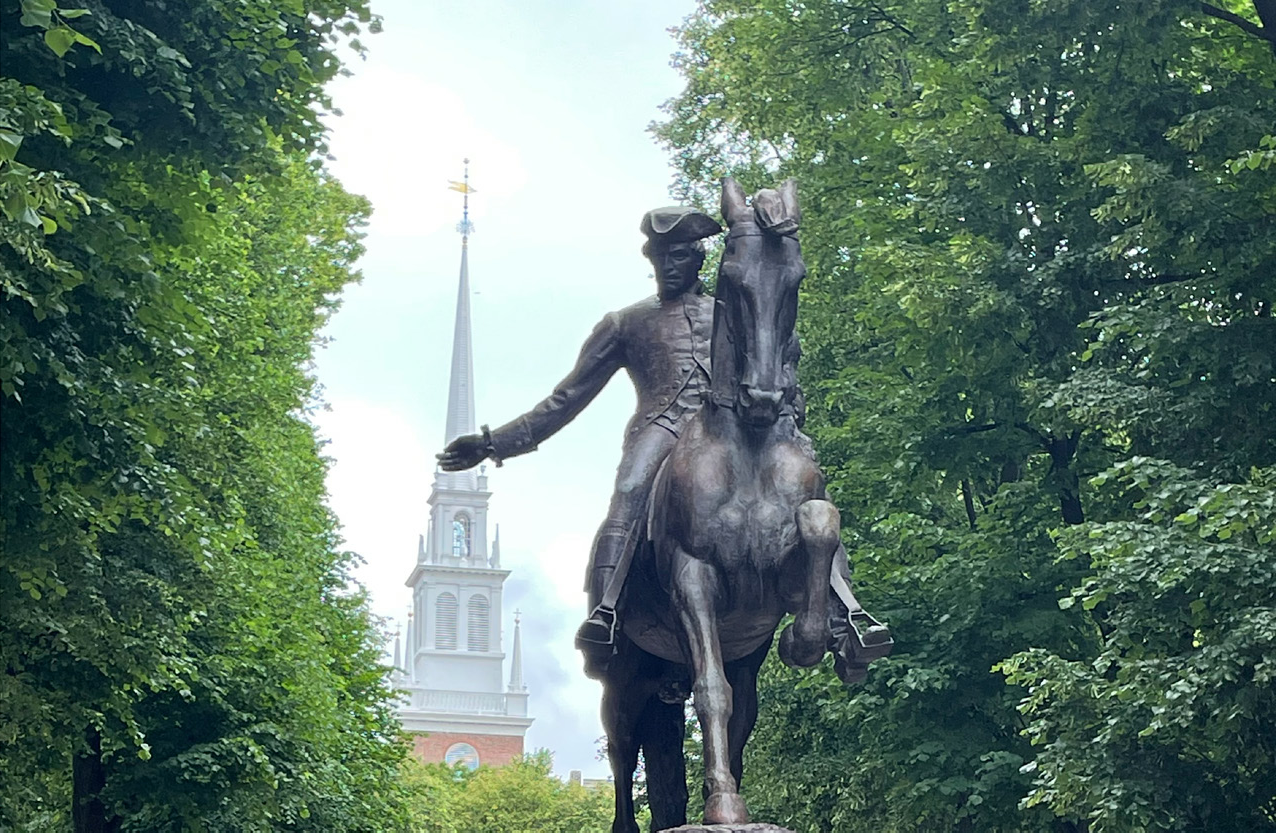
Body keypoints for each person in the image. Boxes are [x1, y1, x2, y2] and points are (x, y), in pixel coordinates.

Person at [437, 206, 723, 677]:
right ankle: (605, 613)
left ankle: (841, 608)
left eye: (677, 257)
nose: (666, 267)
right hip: (663, 427)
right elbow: (566, 399)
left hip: (724, 430)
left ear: (697, 259)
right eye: (659, 258)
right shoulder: (626, 323)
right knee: (631, 492)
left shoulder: (733, 317)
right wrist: (493, 444)